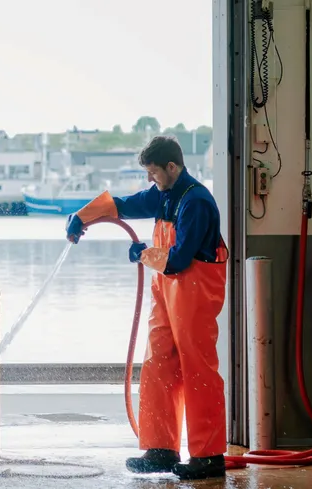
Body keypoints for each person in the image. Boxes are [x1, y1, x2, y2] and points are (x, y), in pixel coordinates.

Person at [64, 135, 228, 481]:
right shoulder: (164, 195)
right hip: (168, 292)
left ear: (172, 167)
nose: (150, 180)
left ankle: (208, 456)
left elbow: (180, 259)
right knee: (158, 363)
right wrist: (83, 216)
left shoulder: (195, 201)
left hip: (194, 290)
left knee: (197, 368)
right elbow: (123, 205)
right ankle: (161, 449)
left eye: (154, 173)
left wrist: (142, 253)